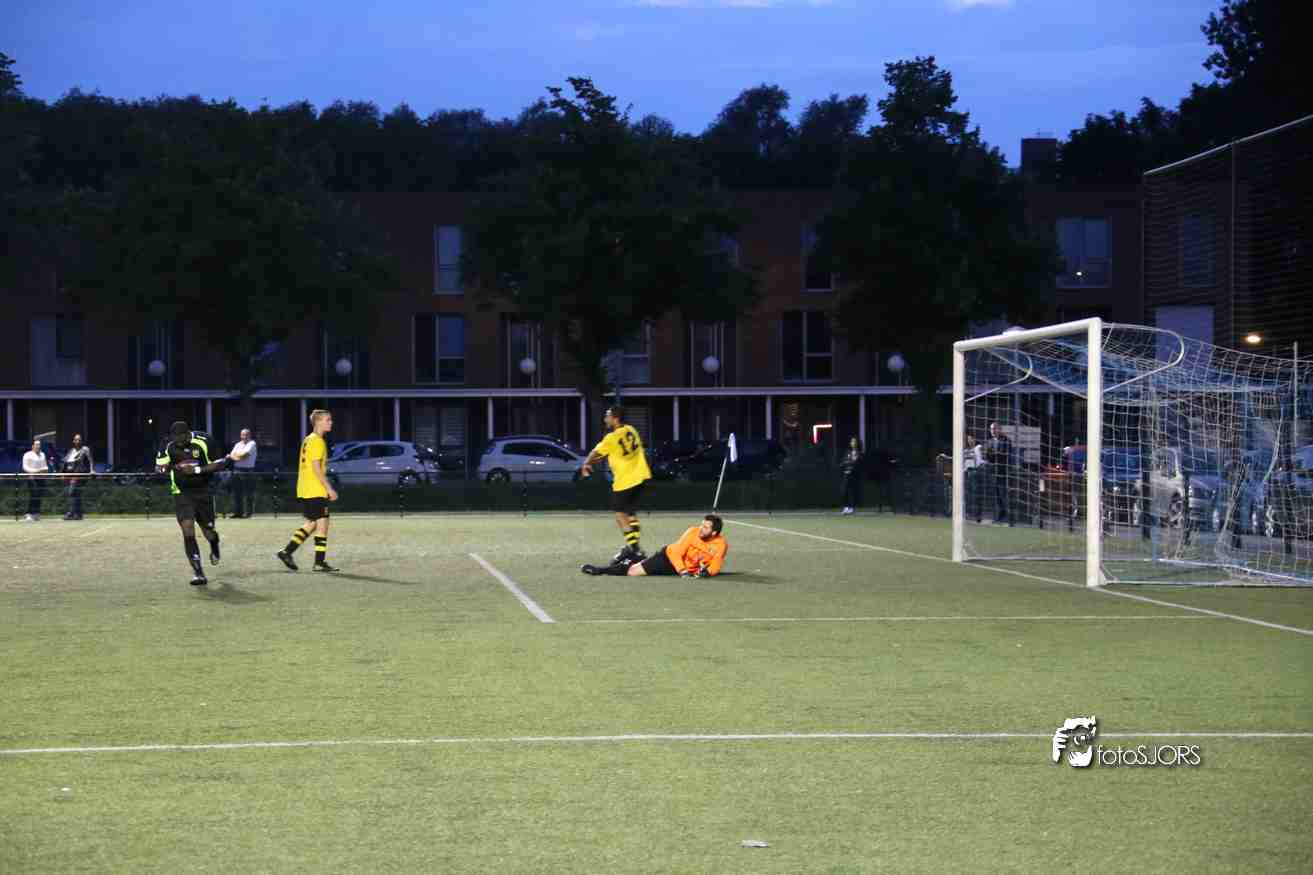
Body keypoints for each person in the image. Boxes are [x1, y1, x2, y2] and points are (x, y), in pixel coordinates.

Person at [155, 421, 239, 586]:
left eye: (181, 439)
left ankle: (214, 544)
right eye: (175, 440)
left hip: (203, 491)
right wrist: (168, 468)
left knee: (208, 532)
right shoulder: (167, 444)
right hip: (181, 492)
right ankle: (198, 573)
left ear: (188, 434)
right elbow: (159, 467)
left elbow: (220, 463)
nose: (178, 443)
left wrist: (196, 470)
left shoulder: (204, 440)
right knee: (187, 529)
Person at [580, 406, 653, 564]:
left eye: (607, 416)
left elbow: (595, 452)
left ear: (615, 418)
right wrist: (596, 460)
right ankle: (633, 547)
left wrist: (586, 464)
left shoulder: (611, 437)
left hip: (625, 480)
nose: (605, 419)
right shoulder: (631, 430)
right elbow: (613, 452)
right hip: (641, 476)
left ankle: (634, 549)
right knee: (630, 513)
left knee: (620, 514)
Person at [277, 409, 339, 572]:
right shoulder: (317, 441)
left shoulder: (308, 439)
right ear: (318, 422)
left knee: (312, 523)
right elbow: (316, 468)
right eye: (327, 419)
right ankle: (319, 563)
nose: (330, 422)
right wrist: (329, 488)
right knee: (322, 523)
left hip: (306, 487)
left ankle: (286, 552)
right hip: (315, 488)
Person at [582, 514, 728, 578]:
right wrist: (683, 572)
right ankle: (600, 570)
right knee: (632, 572)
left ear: (714, 533)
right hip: (668, 558)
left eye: (705, 527)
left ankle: (636, 556)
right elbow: (676, 553)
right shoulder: (692, 531)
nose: (701, 529)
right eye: (702, 525)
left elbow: (716, 564)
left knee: (644, 567)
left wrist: (707, 573)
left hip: (680, 570)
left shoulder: (721, 544)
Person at [985, 422, 1013, 524]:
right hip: (993, 472)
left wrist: (993, 454)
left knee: (1003, 494)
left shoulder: (1006, 440)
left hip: (1003, 472)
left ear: (999, 429)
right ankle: (999, 517)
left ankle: (1008, 518)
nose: (992, 431)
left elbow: (1005, 455)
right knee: (996, 496)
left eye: (994, 428)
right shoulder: (989, 442)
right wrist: (993, 455)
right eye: (991, 429)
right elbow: (987, 456)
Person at [62, 433, 92, 520]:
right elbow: (66, 461)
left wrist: (92, 470)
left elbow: (90, 460)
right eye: (76, 439)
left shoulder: (85, 449)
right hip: (70, 474)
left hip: (80, 473)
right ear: (73, 441)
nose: (77, 441)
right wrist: (63, 473)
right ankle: (78, 514)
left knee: (72, 492)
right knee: (75, 493)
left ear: (82, 441)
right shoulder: (71, 451)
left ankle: (71, 512)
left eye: (79, 439)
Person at [229, 428, 258, 518]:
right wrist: (237, 456)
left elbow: (245, 455)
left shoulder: (252, 443)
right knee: (237, 493)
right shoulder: (238, 444)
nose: (244, 436)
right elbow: (231, 455)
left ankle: (248, 513)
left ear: (249, 435)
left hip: (248, 471)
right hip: (236, 470)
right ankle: (238, 513)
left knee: (248, 493)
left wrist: (236, 456)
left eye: (246, 435)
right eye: (242, 435)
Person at [22, 439, 48, 521]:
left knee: (39, 495)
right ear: (32, 446)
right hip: (32, 477)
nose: (38, 446)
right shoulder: (27, 454)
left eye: (39, 444)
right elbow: (25, 467)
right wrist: (36, 471)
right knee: (34, 494)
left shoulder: (43, 454)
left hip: (41, 478)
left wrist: (45, 470)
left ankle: (36, 513)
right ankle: (29, 513)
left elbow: (45, 465)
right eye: (36, 444)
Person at [840, 436, 864, 515]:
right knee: (844, 490)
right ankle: (845, 507)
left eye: (854, 441)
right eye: (852, 441)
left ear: (857, 443)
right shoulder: (847, 452)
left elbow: (857, 463)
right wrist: (848, 463)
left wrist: (852, 462)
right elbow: (843, 462)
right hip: (846, 474)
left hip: (854, 475)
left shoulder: (859, 453)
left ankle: (851, 507)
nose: (852, 443)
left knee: (852, 491)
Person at [964, 433, 985, 524]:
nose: (969, 441)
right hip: (967, 473)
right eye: (968, 439)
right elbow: (963, 462)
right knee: (967, 495)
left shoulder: (978, 448)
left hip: (976, 473)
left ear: (974, 439)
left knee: (977, 496)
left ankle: (978, 516)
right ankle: (968, 514)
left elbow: (981, 459)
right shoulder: (965, 451)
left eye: (971, 439)